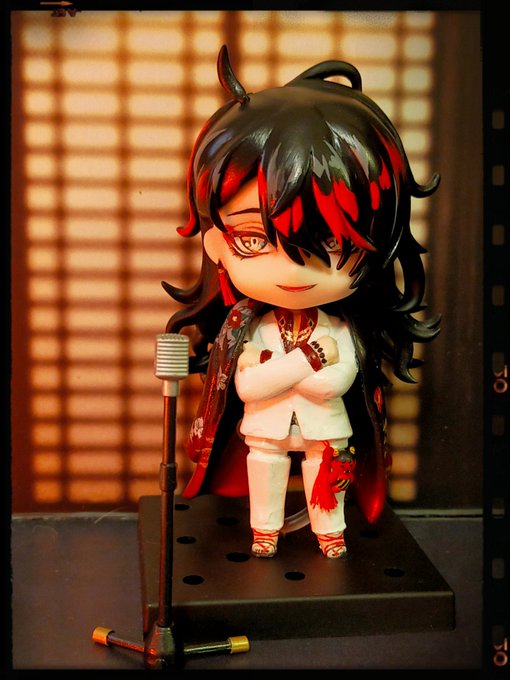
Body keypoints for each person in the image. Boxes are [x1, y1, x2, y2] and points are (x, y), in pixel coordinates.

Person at [163, 45, 440, 559]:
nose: (292, 270)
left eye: (332, 244)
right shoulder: (252, 328)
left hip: (325, 428)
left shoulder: (340, 329)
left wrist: (285, 369)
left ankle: (329, 532)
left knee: (326, 476)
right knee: (264, 472)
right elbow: (247, 386)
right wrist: (309, 360)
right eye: (253, 239)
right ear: (216, 243)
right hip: (267, 427)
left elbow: (337, 383)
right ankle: (264, 531)